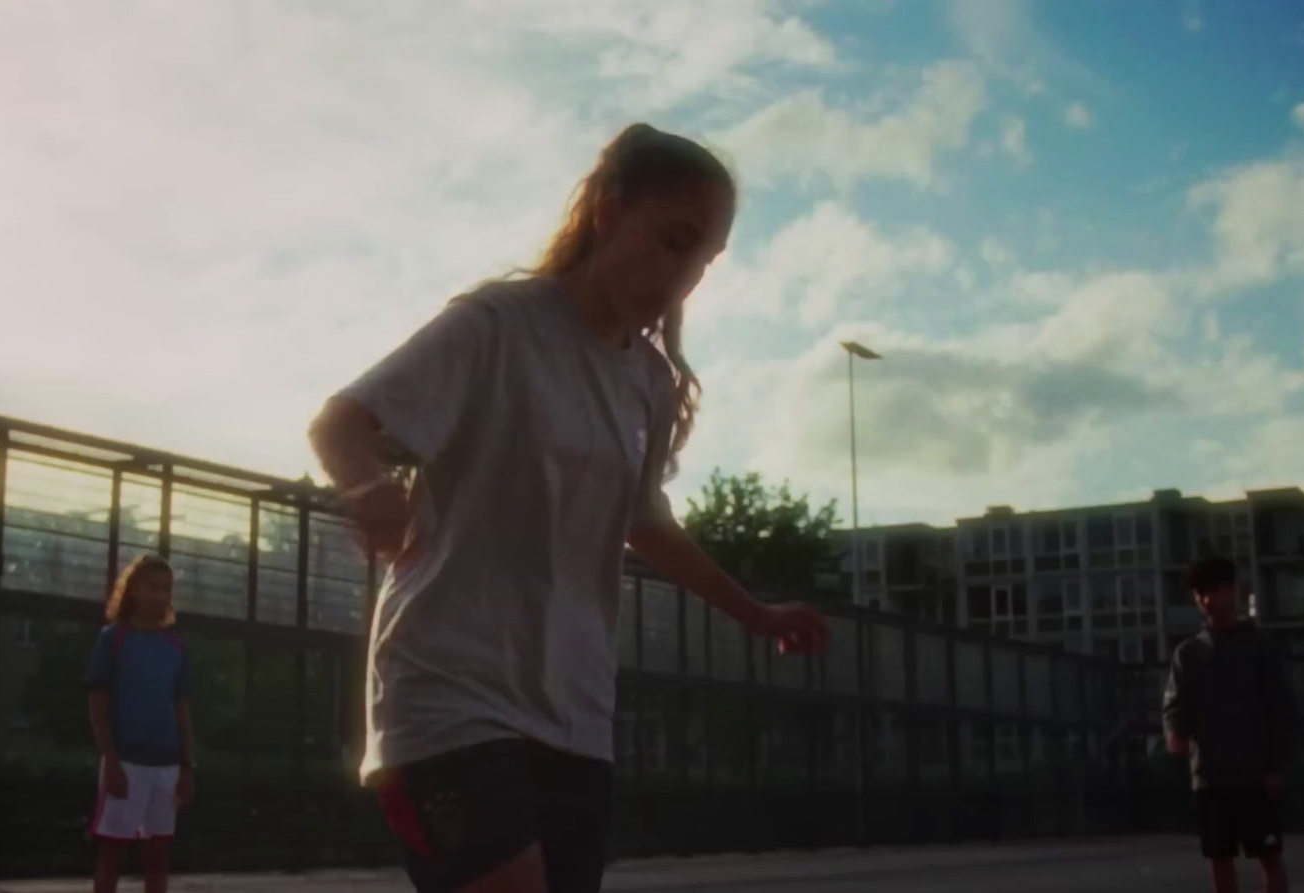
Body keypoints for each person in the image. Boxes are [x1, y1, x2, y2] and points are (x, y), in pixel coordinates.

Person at [308, 122, 829, 893]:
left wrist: (753, 612)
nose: (682, 275)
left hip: (572, 705)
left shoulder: (647, 383)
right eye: (671, 241)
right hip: (447, 687)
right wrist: (368, 487)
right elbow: (342, 422)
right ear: (609, 214)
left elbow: (643, 520)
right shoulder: (497, 324)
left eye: (703, 260)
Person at [1162, 555, 1295, 893]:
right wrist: (1175, 733)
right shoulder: (1189, 653)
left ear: (1233, 592)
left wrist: (1276, 766)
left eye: (1215, 591)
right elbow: (1174, 704)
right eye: (1200, 594)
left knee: (1269, 855)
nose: (1207, 600)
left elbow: (1281, 708)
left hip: (1255, 773)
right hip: (1210, 776)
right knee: (1219, 858)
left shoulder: (1260, 647)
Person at [85, 554, 195, 893]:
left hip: (167, 765)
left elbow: (182, 708)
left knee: (158, 854)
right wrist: (111, 761)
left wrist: (188, 766)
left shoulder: (176, 645)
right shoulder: (113, 639)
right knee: (113, 853)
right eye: (152, 588)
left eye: (166, 589)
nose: (160, 596)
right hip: (126, 763)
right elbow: (97, 704)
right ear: (133, 590)